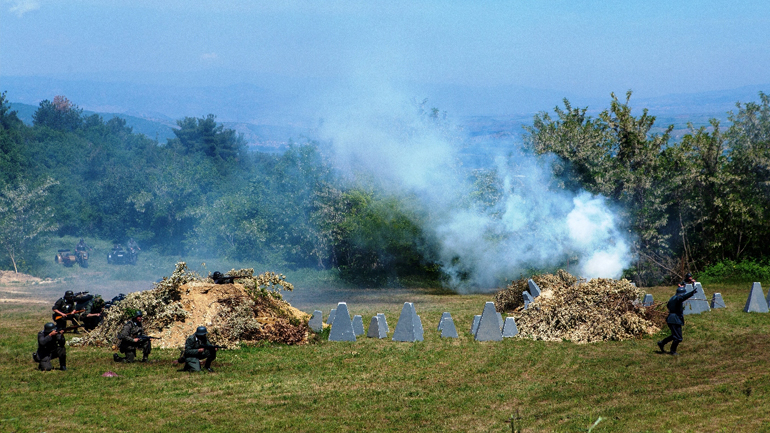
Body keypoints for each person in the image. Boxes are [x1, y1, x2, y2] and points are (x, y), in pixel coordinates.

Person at [657, 284, 698, 355]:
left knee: (675, 335)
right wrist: (691, 293)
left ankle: (662, 343)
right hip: (675, 319)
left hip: (671, 318)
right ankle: (672, 351)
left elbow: (668, 306)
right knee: (678, 338)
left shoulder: (672, 298)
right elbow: (682, 298)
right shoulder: (678, 298)